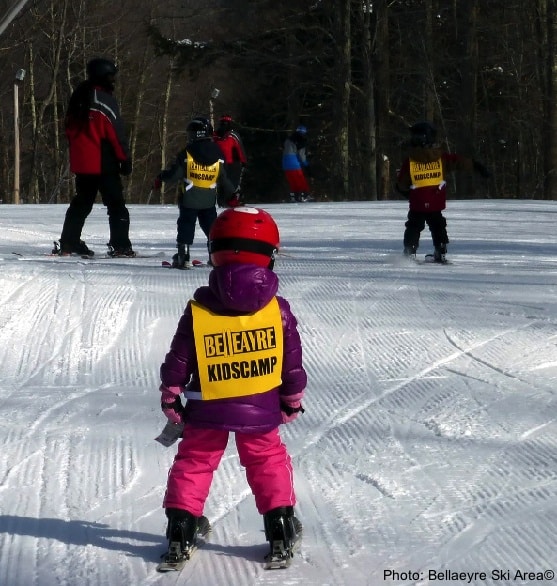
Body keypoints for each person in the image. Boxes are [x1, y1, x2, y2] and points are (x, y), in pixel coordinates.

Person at [158, 206, 307, 566]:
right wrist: (291, 399)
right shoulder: (278, 309)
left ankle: (181, 529)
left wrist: (171, 394)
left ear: (214, 252)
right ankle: (281, 528)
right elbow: (292, 363)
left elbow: (179, 359)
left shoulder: (199, 309)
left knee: (194, 461)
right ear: (269, 256)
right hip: (261, 409)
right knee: (267, 460)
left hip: (207, 406)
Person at [54, 57, 134, 257]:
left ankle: (69, 242)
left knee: (81, 203)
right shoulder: (103, 100)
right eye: (111, 76)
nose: (114, 80)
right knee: (116, 206)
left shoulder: (79, 96)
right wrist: (125, 159)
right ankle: (120, 245)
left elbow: (69, 130)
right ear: (104, 76)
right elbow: (115, 133)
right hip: (102, 162)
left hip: (82, 163)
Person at [396, 121, 490, 262]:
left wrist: (404, 191)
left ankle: (410, 251)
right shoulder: (441, 158)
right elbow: (459, 162)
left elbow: (402, 183)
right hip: (435, 202)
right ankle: (440, 250)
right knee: (438, 225)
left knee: (414, 226)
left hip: (418, 203)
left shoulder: (410, 161)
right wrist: (477, 166)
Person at [153, 116, 237, 269]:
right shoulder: (218, 153)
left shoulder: (187, 153)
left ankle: (183, 256)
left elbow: (174, 175)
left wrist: (160, 177)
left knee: (186, 225)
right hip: (209, 200)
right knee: (212, 228)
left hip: (189, 199)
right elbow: (224, 178)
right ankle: (215, 255)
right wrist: (233, 194)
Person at [213, 114, 247, 205]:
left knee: (229, 183)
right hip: (224, 163)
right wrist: (244, 161)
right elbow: (240, 149)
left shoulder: (231, 135)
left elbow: (239, 149)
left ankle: (230, 201)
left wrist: (243, 161)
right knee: (225, 183)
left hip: (231, 163)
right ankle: (224, 201)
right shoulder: (217, 135)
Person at [282, 125, 311, 202]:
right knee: (300, 179)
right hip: (293, 162)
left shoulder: (288, 139)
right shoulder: (301, 140)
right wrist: (306, 164)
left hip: (285, 162)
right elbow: (301, 155)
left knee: (292, 180)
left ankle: (294, 196)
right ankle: (305, 195)